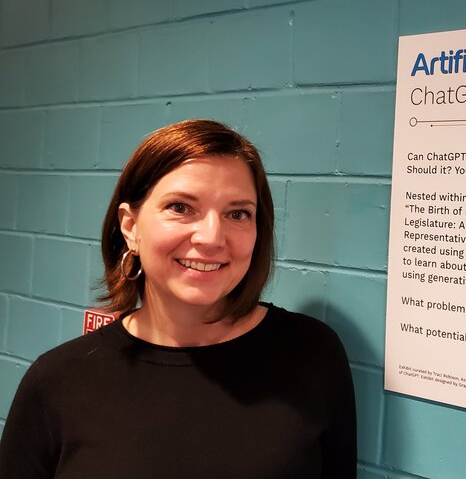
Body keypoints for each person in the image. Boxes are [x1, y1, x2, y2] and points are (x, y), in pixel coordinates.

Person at [0, 119, 357, 478]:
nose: (212, 237)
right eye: (181, 208)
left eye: (238, 213)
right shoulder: (57, 382)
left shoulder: (312, 354)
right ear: (130, 227)